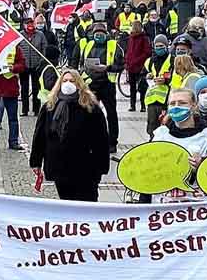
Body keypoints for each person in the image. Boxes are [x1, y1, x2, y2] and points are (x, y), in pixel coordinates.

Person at [29, 69, 109, 201]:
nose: (68, 83)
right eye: (65, 80)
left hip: (84, 168)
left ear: (79, 84)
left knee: (87, 203)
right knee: (66, 202)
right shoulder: (50, 106)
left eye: (72, 81)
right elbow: (40, 137)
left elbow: (101, 140)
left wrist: (101, 167)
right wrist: (36, 161)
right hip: (59, 167)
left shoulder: (91, 108)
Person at [145, 88, 207, 203]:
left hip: (201, 211)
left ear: (194, 106)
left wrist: (203, 165)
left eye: (182, 103)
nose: (176, 107)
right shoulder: (159, 135)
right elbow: (147, 174)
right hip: (163, 210)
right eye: (172, 103)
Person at [71, 22, 124, 153]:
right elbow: (80, 61)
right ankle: (91, 139)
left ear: (106, 34)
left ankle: (112, 142)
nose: (98, 36)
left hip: (107, 84)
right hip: (91, 84)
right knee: (89, 113)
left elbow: (121, 64)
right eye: (96, 34)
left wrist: (107, 68)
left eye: (101, 34)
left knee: (111, 114)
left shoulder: (113, 46)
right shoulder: (88, 45)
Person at [0, 43, 26, 151]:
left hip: (10, 88)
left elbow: (22, 64)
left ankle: (13, 141)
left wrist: (14, 68)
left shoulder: (14, 48)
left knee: (13, 118)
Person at [124, 22, 151, 112]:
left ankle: (143, 105)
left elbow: (147, 52)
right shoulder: (131, 38)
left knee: (142, 87)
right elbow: (128, 51)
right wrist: (127, 61)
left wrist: (137, 60)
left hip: (140, 66)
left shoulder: (144, 38)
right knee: (132, 87)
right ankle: (132, 105)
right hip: (131, 66)